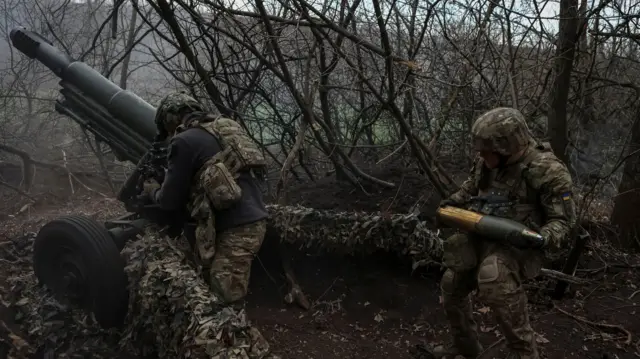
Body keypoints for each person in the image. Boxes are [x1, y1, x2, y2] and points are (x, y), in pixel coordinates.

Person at [432, 107, 576, 359]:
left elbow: (563, 221)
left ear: (507, 146)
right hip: (483, 235)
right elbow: (468, 191)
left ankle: (523, 352)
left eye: (487, 151)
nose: (482, 156)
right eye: (482, 151)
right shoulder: (486, 163)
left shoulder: (547, 170)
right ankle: (465, 347)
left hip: (521, 246)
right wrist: (450, 207)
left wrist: (542, 238)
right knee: (451, 283)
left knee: (493, 276)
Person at [141, 91, 269, 306]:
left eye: (166, 125)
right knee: (215, 283)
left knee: (223, 302)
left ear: (172, 117)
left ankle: (237, 337)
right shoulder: (224, 126)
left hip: (237, 230)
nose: (169, 132)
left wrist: (152, 189)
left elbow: (168, 201)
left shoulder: (183, 141)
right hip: (253, 217)